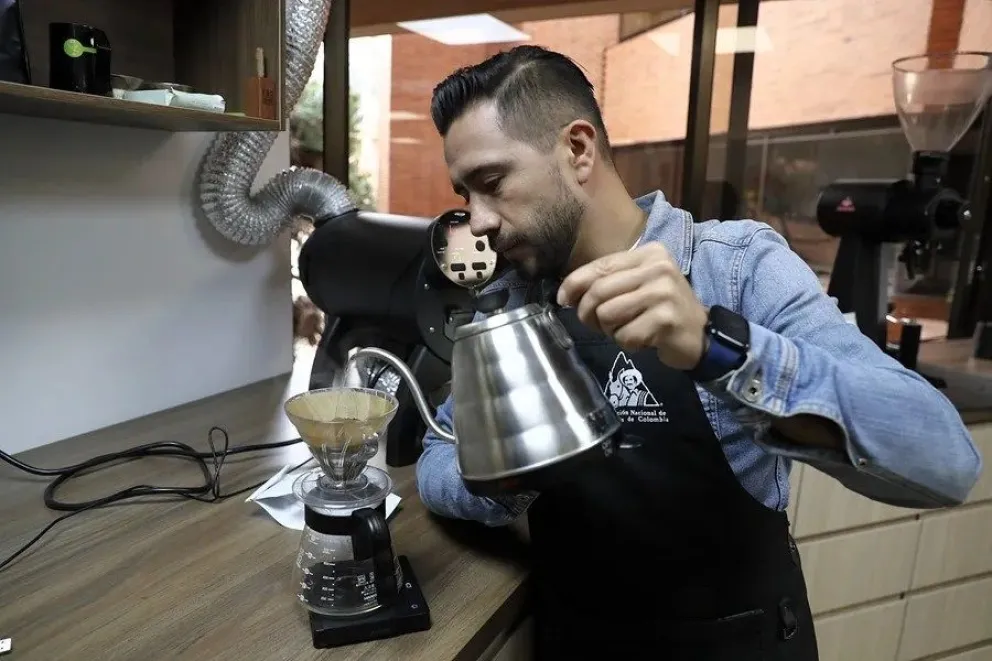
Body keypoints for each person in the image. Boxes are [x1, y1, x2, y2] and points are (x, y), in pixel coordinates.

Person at [414, 45, 982, 660]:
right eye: (465, 193)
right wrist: (508, 475)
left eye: (492, 184)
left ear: (577, 149)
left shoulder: (735, 268)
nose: (477, 221)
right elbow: (437, 458)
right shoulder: (516, 300)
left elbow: (944, 462)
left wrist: (718, 347)